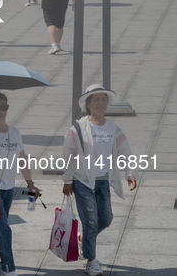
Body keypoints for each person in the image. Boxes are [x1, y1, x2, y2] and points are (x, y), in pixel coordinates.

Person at [62, 84, 137, 276]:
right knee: (91, 221)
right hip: (82, 181)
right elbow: (69, 155)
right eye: (96, 99)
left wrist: (130, 173)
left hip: (103, 181)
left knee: (106, 218)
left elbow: (125, 150)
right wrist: (68, 180)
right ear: (88, 104)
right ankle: (91, 260)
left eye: (104, 99)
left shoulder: (112, 127)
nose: (101, 102)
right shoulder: (78, 128)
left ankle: (82, 239)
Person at [0, 89, 41, 276]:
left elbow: (22, 159)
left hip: (7, 188)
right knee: (3, 227)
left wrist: (30, 184)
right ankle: (8, 269)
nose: (0, 111)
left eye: (4, 107)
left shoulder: (15, 132)